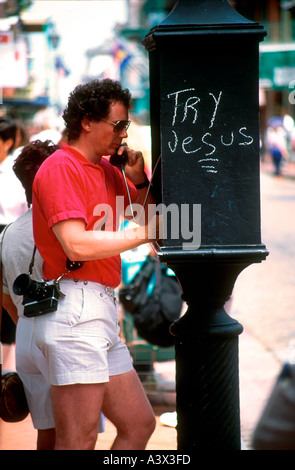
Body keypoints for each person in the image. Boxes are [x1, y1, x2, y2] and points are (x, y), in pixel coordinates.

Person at [31, 78, 158, 450]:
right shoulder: (60, 168)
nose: (123, 134)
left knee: (139, 424)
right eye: (118, 125)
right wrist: (146, 230)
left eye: (126, 127)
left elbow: (147, 222)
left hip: (100, 305)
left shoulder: (106, 170)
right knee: (78, 437)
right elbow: (76, 243)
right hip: (75, 308)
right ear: (87, 121)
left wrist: (137, 179)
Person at [0, 139, 106, 449]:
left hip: (29, 338)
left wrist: (28, 325)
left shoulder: (6, 234)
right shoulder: (71, 230)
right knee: (80, 437)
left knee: (47, 433)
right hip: (70, 335)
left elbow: (6, 298)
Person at [0, 117, 27, 369]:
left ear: (8, 143)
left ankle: (6, 370)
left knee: (7, 298)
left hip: (8, 237)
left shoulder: (14, 174)